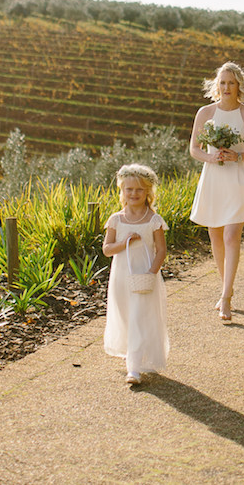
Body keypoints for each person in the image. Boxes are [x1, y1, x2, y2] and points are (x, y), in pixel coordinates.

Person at [189, 61, 244, 321]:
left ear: (239, 86)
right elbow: (194, 149)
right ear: (216, 85)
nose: (226, 87)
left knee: (231, 235)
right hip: (213, 178)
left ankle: (225, 298)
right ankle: (227, 285)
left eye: (231, 83)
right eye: (222, 82)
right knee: (215, 235)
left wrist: (238, 155)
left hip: (239, 178)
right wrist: (210, 158)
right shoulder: (204, 112)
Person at [102, 163, 169, 385]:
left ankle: (134, 368)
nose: (134, 194)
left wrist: (151, 273)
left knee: (140, 316)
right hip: (121, 277)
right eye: (129, 189)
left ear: (148, 192)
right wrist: (124, 242)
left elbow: (161, 250)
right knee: (126, 316)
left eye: (139, 190)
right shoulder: (116, 219)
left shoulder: (154, 220)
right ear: (122, 191)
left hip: (145, 275)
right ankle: (133, 354)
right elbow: (107, 249)